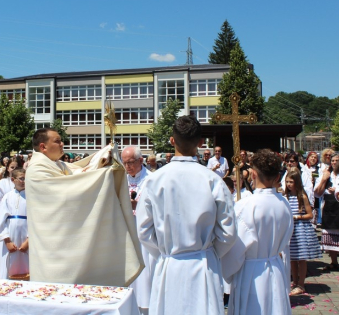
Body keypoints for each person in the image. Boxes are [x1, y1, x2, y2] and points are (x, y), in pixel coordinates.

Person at [137, 116, 236, 315]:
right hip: (203, 265)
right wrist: (209, 252)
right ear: (201, 143)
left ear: (172, 141)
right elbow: (228, 232)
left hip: (169, 266)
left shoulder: (154, 181)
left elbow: (144, 231)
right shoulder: (212, 180)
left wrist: (166, 253)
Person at [25, 128, 142, 286]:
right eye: (57, 141)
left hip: (64, 240)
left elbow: (79, 171)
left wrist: (103, 158)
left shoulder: (57, 164)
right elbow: (68, 192)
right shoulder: (37, 170)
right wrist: (103, 175)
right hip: (52, 246)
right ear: (43, 147)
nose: (62, 144)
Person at [221, 149, 293, 315]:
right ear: (277, 177)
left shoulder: (246, 206)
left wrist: (225, 271)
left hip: (251, 274)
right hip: (276, 267)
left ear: (252, 174)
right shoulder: (284, 204)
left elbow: (235, 251)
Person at [122, 146, 154, 314]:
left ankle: (147, 307)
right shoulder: (122, 180)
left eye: (131, 163)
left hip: (145, 234)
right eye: (125, 163)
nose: (128, 167)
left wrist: (138, 206)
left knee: (145, 275)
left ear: (141, 161)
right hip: (127, 232)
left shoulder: (152, 179)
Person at [284, 168, 321, 295]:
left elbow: (310, 215)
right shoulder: (286, 196)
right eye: (287, 182)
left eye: (291, 182)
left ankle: (301, 284)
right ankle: (294, 282)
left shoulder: (302, 196)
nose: (288, 184)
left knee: (301, 258)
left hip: (300, 229)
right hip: (290, 229)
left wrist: (297, 216)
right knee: (292, 258)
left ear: (297, 183)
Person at [0, 168, 29, 279]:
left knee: (27, 263)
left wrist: (29, 241)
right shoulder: (7, 197)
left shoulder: (32, 196)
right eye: (21, 178)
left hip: (26, 236)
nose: (24, 181)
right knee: (8, 263)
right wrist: (7, 240)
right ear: (13, 180)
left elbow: (36, 220)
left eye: (25, 178)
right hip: (10, 236)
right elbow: (1, 220)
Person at [315, 153, 339, 270]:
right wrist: (323, 180)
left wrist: (336, 191)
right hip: (329, 208)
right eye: (333, 160)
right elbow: (317, 193)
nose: (334, 162)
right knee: (329, 235)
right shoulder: (326, 175)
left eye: (337, 160)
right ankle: (333, 261)